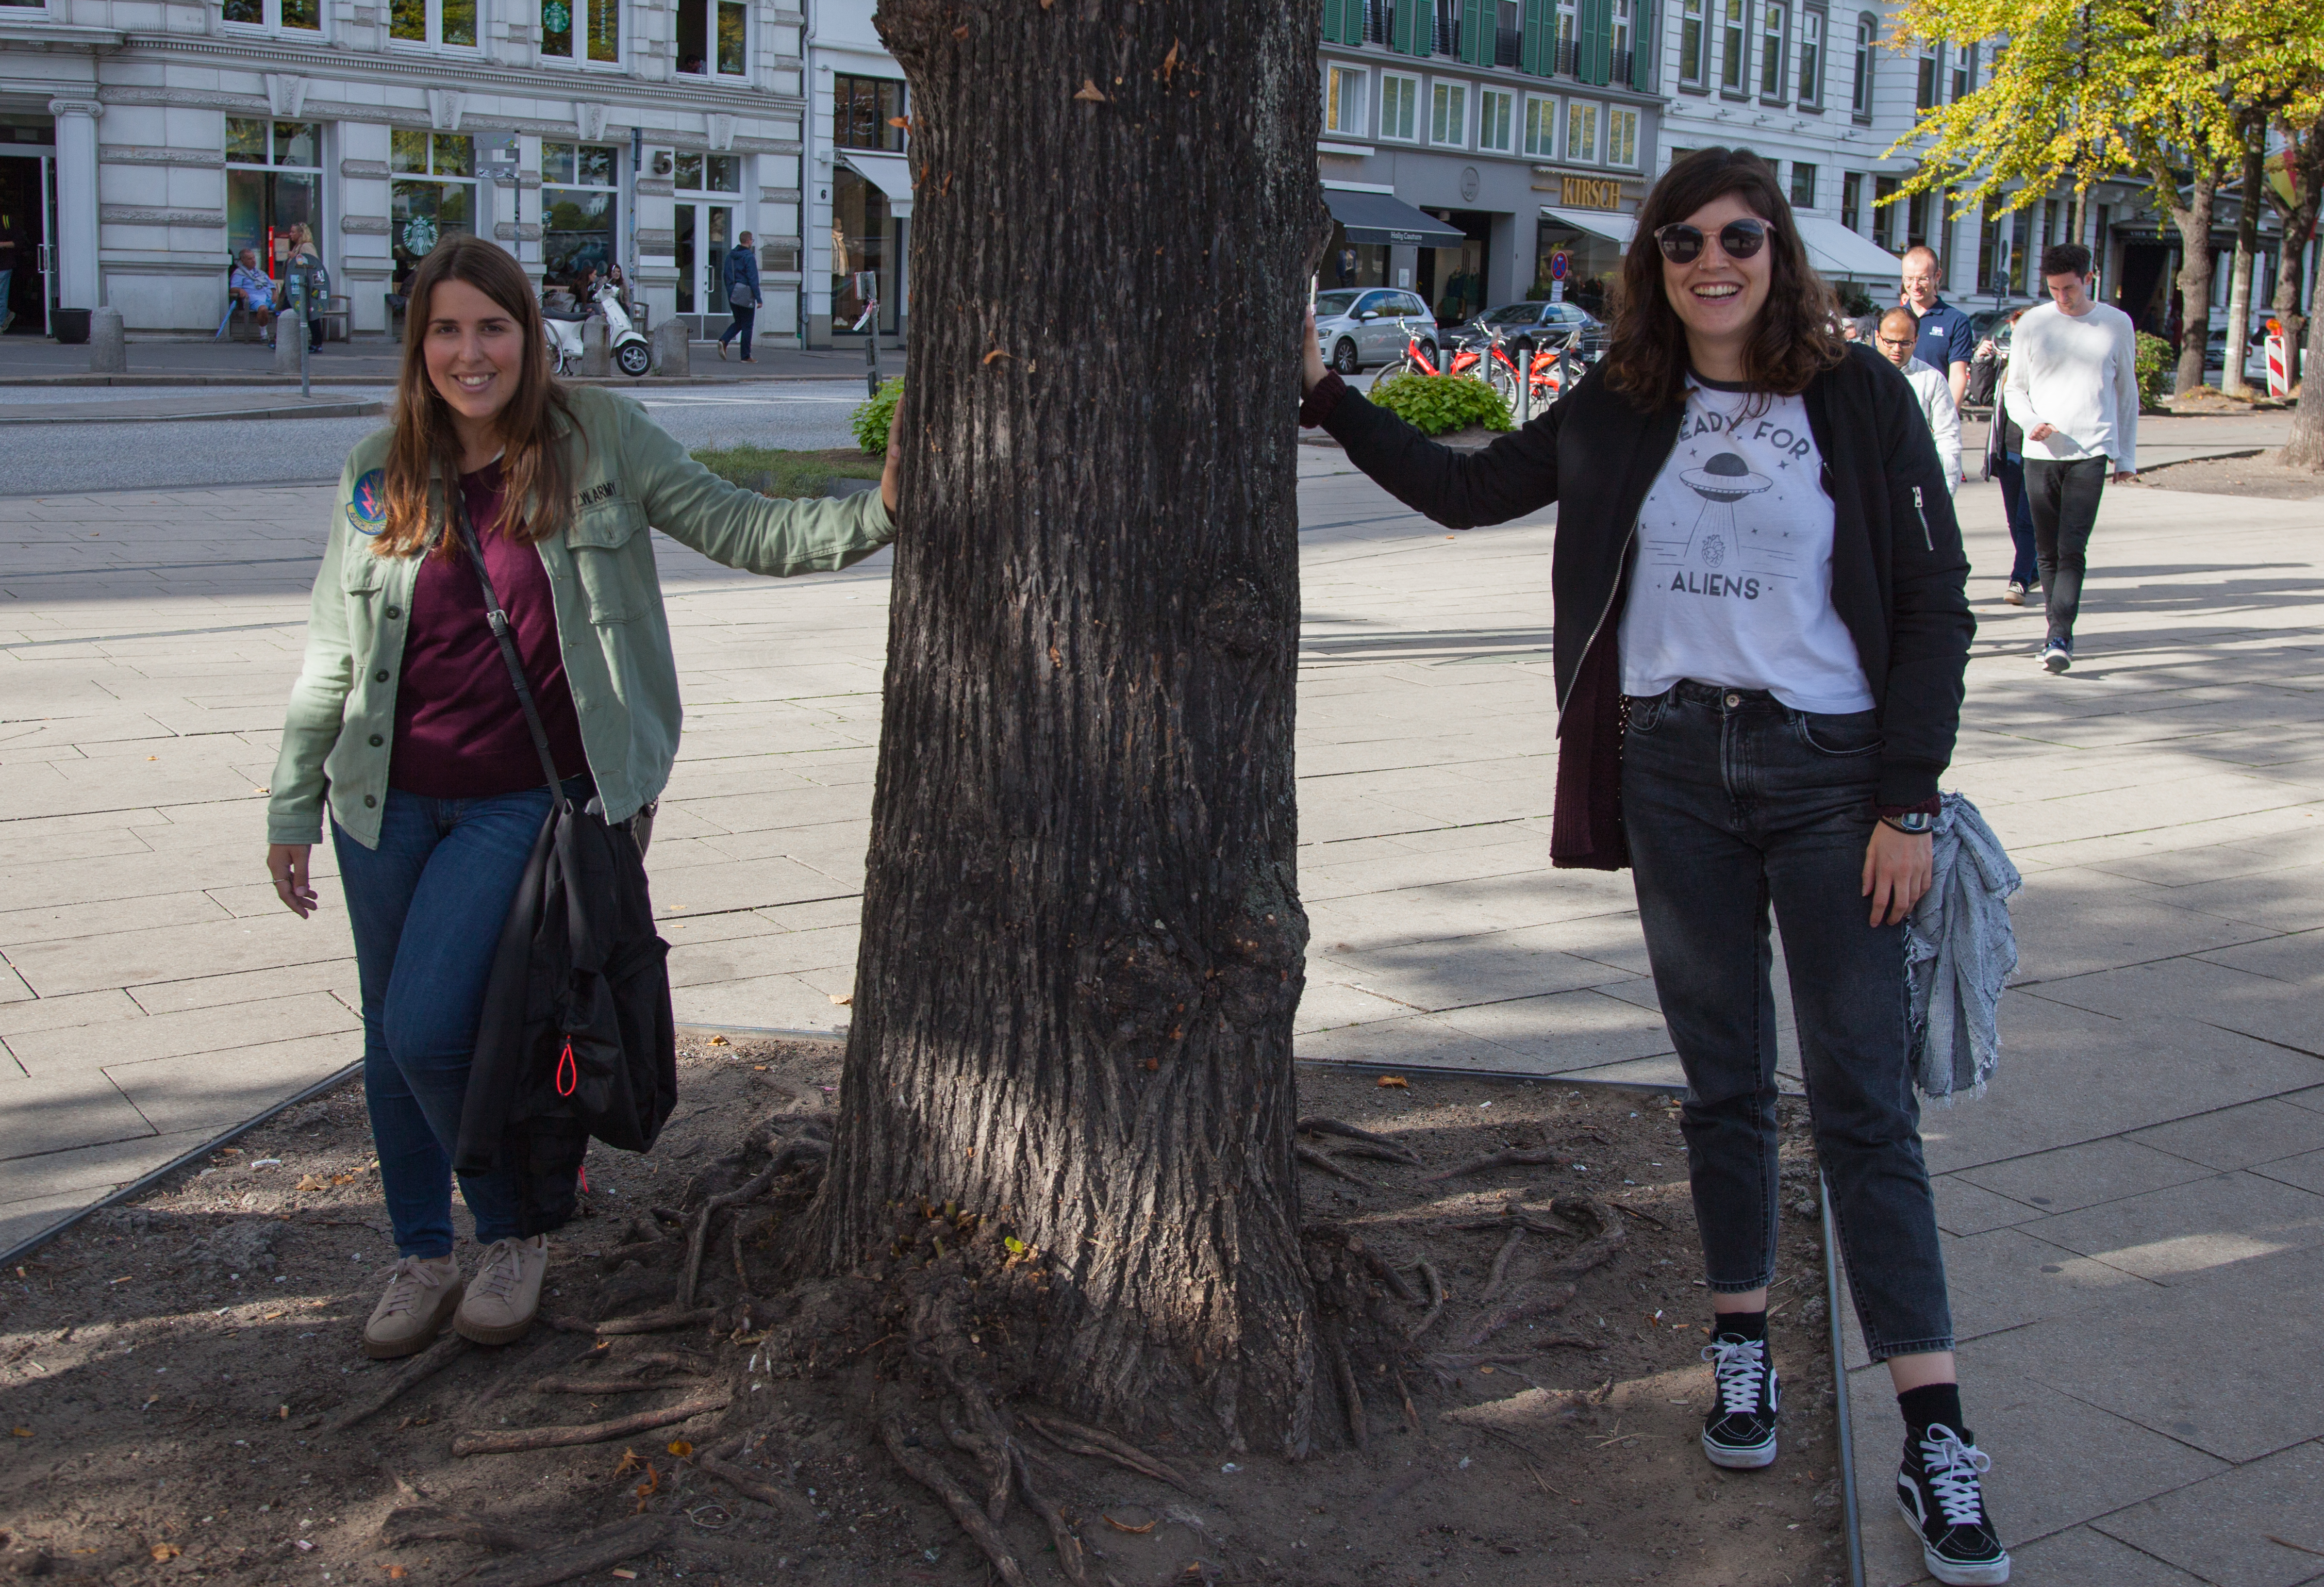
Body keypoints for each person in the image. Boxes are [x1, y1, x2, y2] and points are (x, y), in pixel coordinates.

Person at [1300, 147, 2007, 1586]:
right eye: (1681, 240)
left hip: (1830, 785)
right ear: (1653, 263)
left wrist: (1907, 805)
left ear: (1777, 250)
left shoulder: (1856, 398)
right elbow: (1461, 486)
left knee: (1862, 1103)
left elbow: (1932, 604)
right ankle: (1738, 1340)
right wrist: (1322, 396)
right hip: (1674, 772)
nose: (1711, 259)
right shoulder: (1624, 404)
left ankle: (1933, 1425)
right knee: (1723, 1082)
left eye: (1739, 235)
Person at [262, 236, 901, 1362]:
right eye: (447, 331)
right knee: (390, 1038)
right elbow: (332, 651)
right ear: (419, 347)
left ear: (531, 338)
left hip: (533, 805)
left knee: (435, 1028)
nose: (471, 353)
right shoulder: (380, 472)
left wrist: (880, 510)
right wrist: (288, 804)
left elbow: (744, 525)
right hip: (381, 805)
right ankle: (421, 1253)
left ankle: (512, 1232)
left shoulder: (596, 439)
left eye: (493, 328)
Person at [2001, 242, 2139, 673]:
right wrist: (2030, 421)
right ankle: (2053, 629)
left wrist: (2127, 457)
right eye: (2055, 289)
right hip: (2041, 450)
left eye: (2070, 289)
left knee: (2071, 548)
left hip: (2090, 450)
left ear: (2088, 279)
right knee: (2046, 551)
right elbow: (2013, 388)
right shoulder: (2034, 325)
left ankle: (2060, 635)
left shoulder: (2115, 324)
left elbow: (2126, 393)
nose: (2063, 297)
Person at [1976, 313, 2041, 605]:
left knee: (2028, 520)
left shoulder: (2044, 364)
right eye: (2012, 335)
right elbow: (1983, 395)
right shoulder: (2006, 364)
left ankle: (2020, 579)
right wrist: (1982, 362)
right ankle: (2033, 569)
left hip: (2037, 451)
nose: (2015, 341)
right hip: (2007, 449)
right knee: (2015, 520)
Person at [1877, 306, 1963, 495]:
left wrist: (1945, 494)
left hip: (1913, 488)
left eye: (1905, 343)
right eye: (1889, 342)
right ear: (1877, 337)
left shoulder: (1932, 379)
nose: (1896, 349)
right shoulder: (1858, 376)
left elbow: (1948, 438)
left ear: (1916, 341)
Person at [1901, 245, 1973, 408]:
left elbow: (1957, 376)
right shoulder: (1892, 320)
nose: (1915, 286)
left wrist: (1947, 419)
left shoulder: (1956, 321)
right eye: (1909, 279)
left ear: (1937, 276)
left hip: (1935, 411)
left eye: (1922, 279)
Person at [718, 232, 760, 362]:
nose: (752, 242)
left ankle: (724, 341)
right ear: (748, 241)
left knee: (739, 322)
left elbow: (726, 275)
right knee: (747, 325)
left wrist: (731, 290)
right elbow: (753, 279)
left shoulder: (731, 255)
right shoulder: (749, 256)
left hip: (733, 293)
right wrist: (759, 298)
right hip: (745, 294)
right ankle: (746, 356)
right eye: (752, 240)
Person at [287, 223, 328, 354]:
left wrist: (295, 258)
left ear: (301, 233)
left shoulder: (306, 246)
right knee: (291, 311)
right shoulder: (298, 247)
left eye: (293, 232)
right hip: (298, 286)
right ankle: (283, 340)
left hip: (307, 287)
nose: (290, 234)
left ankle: (316, 342)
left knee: (311, 313)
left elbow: (313, 264)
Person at [228, 248, 277, 342]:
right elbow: (233, 288)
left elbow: (272, 286)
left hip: (269, 297)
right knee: (263, 309)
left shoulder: (260, 273)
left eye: (254, 258)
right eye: (250, 259)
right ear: (243, 260)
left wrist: (275, 294)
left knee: (286, 310)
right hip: (255, 299)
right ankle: (264, 335)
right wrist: (240, 290)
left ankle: (281, 336)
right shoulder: (239, 274)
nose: (254, 261)